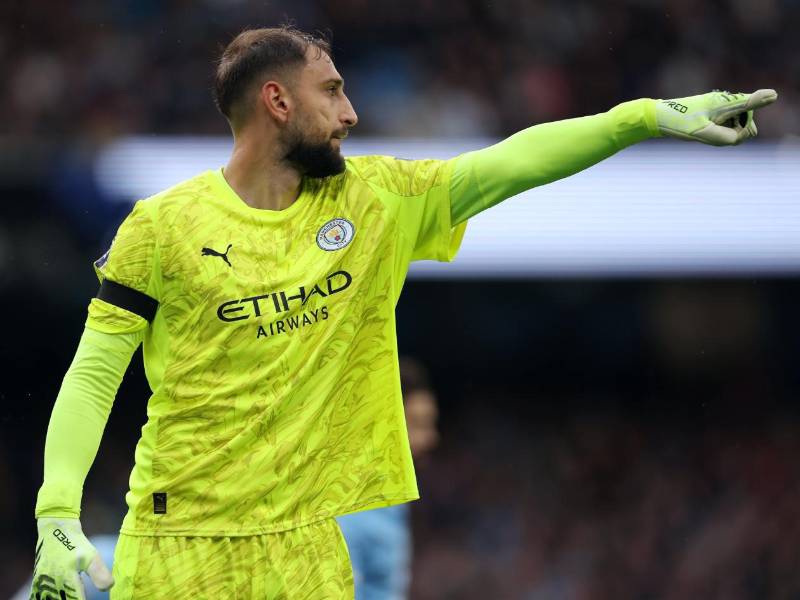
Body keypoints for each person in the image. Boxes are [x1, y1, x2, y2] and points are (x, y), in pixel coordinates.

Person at [29, 25, 776, 600]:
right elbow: (96, 373)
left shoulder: (376, 201)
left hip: (310, 545)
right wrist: (56, 514)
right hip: (180, 538)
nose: (351, 113)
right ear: (277, 101)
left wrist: (641, 118)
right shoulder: (161, 228)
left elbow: (507, 162)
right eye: (332, 91)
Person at [337, 357, 439, 599]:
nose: (431, 438)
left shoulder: (392, 501)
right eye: (418, 424)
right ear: (384, 423)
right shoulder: (348, 512)